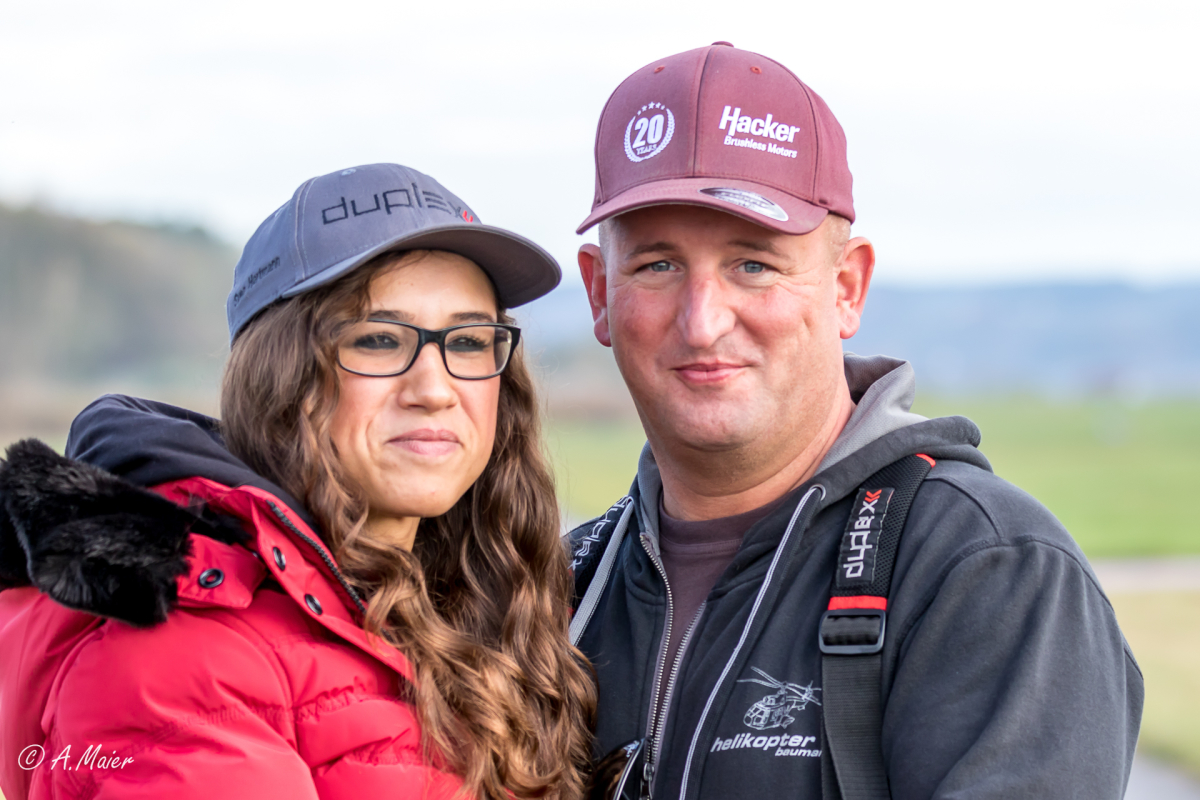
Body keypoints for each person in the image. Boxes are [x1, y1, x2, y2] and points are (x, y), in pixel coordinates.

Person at [567, 43, 1142, 800]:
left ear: (847, 287)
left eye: (753, 265)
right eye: (658, 266)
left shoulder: (986, 573)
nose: (702, 322)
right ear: (600, 293)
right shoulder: (555, 592)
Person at [0, 163, 596, 800]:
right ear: (280, 375)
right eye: (379, 340)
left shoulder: (507, 606)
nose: (435, 389)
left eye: (470, 340)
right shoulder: (187, 654)